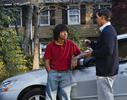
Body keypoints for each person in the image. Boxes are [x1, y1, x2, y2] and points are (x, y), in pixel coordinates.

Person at [44, 24, 86, 100]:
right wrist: (50, 73)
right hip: (53, 72)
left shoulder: (71, 44)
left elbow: (81, 54)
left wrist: (75, 58)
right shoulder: (50, 46)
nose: (65, 33)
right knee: (50, 97)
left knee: (66, 96)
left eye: (66, 31)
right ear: (57, 33)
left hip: (66, 73)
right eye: (62, 32)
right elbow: (46, 61)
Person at [84, 8, 119, 100]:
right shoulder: (107, 30)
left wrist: (92, 53)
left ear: (102, 17)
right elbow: (103, 47)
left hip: (106, 71)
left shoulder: (108, 31)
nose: (96, 20)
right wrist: (91, 43)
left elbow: (108, 50)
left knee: (105, 98)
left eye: (97, 17)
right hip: (106, 70)